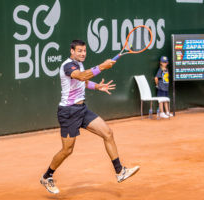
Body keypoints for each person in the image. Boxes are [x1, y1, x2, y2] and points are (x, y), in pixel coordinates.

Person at [40, 40, 140, 194]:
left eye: (84, 51)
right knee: (67, 150)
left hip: (82, 110)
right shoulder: (68, 65)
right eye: (79, 51)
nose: (83, 54)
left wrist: (97, 86)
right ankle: (47, 176)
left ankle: (120, 171)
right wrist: (102, 66)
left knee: (108, 133)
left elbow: (83, 82)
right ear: (72, 51)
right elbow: (80, 76)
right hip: (68, 112)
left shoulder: (79, 64)